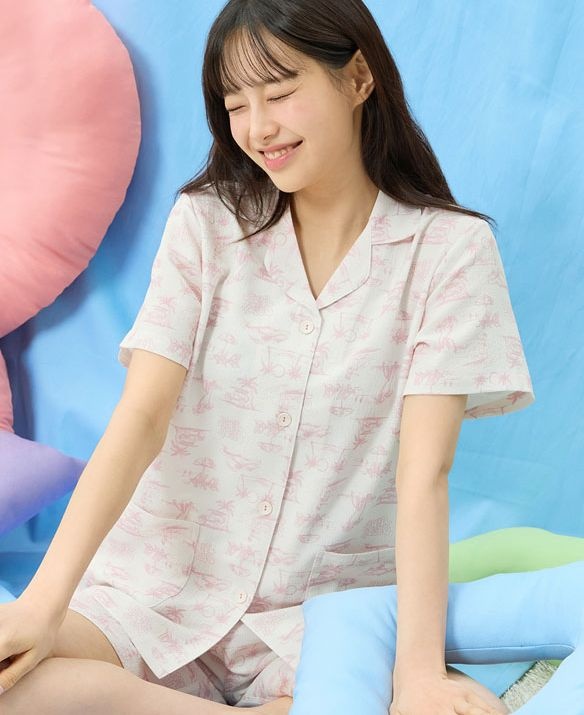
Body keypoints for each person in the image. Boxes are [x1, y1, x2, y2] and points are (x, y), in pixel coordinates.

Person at [0, 1, 535, 713]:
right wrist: (41, 606)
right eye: (235, 105)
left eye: (280, 93)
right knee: (13, 683)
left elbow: (424, 474)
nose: (258, 128)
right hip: (154, 591)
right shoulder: (206, 224)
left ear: (359, 78)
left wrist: (418, 675)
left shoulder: (450, 252)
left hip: (319, 618)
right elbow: (142, 418)